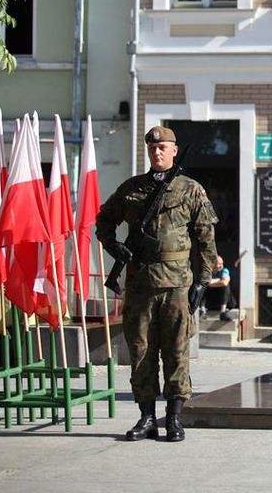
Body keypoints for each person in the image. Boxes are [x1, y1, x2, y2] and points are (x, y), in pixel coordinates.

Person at [96, 125, 218, 442]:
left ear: (174, 150)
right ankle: (147, 417)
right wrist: (114, 246)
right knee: (141, 352)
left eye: (163, 147)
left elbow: (206, 241)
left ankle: (174, 418)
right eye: (152, 148)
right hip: (140, 284)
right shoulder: (132, 188)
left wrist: (202, 283)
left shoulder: (191, 190)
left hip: (177, 284)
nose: (157, 152)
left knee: (177, 352)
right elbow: (104, 219)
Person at [200, 255, 237, 321]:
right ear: (213, 264)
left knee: (226, 286)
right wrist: (219, 280)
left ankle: (223, 313)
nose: (221, 266)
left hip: (223, 301)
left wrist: (209, 283)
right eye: (219, 264)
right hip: (211, 301)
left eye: (222, 263)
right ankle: (202, 311)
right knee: (202, 287)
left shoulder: (224, 270)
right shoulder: (207, 271)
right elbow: (203, 282)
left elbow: (225, 282)